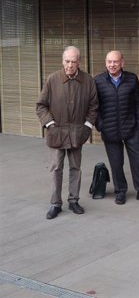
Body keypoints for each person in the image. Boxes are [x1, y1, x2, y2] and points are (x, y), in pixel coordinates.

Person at [36, 45, 98, 219]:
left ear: (79, 61)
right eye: (67, 61)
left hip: (77, 132)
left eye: (73, 61)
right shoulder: (52, 79)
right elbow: (41, 105)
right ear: (62, 61)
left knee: (75, 168)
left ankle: (74, 200)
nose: (70, 65)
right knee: (56, 168)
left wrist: (87, 126)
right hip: (56, 132)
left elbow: (94, 106)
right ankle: (55, 204)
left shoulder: (88, 80)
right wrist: (50, 124)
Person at [94, 50, 139, 205]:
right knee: (116, 163)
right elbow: (94, 106)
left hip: (131, 129)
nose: (112, 65)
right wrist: (100, 125)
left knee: (138, 161)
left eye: (115, 61)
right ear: (106, 63)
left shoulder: (131, 79)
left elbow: (138, 103)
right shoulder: (98, 81)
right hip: (109, 130)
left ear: (122, 62)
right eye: (109, 61)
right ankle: (120, 191)